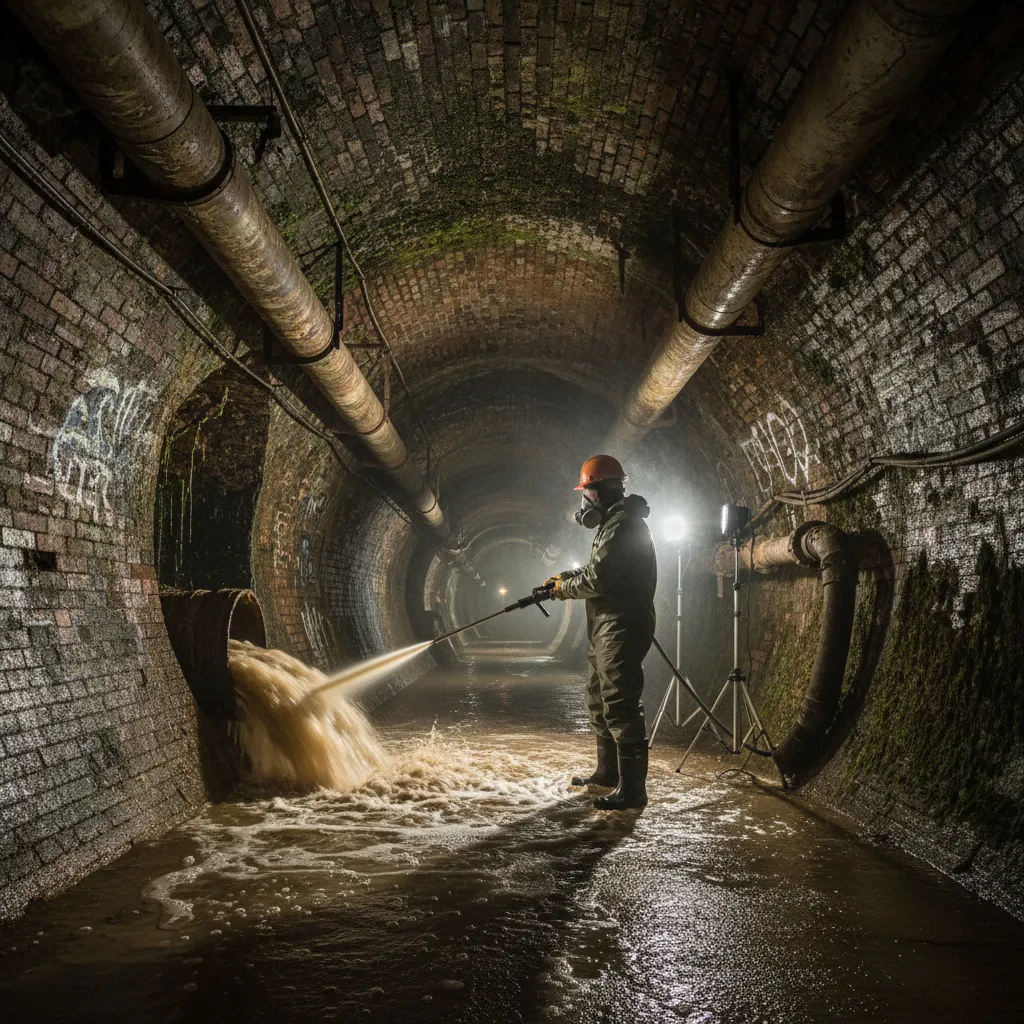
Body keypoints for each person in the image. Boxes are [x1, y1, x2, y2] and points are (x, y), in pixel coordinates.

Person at [545, 455, 657, 810]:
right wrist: (565, 578)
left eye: (587, 492)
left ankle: (633, 791)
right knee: (598, 697)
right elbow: (596, 570)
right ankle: (607, 773)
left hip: (621, 624)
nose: (585, 502)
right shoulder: (612, 523)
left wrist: (563, 588)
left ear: (602, 489)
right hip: (605, 622)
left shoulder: (624, 525)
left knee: (620, 702)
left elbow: (598, 578)